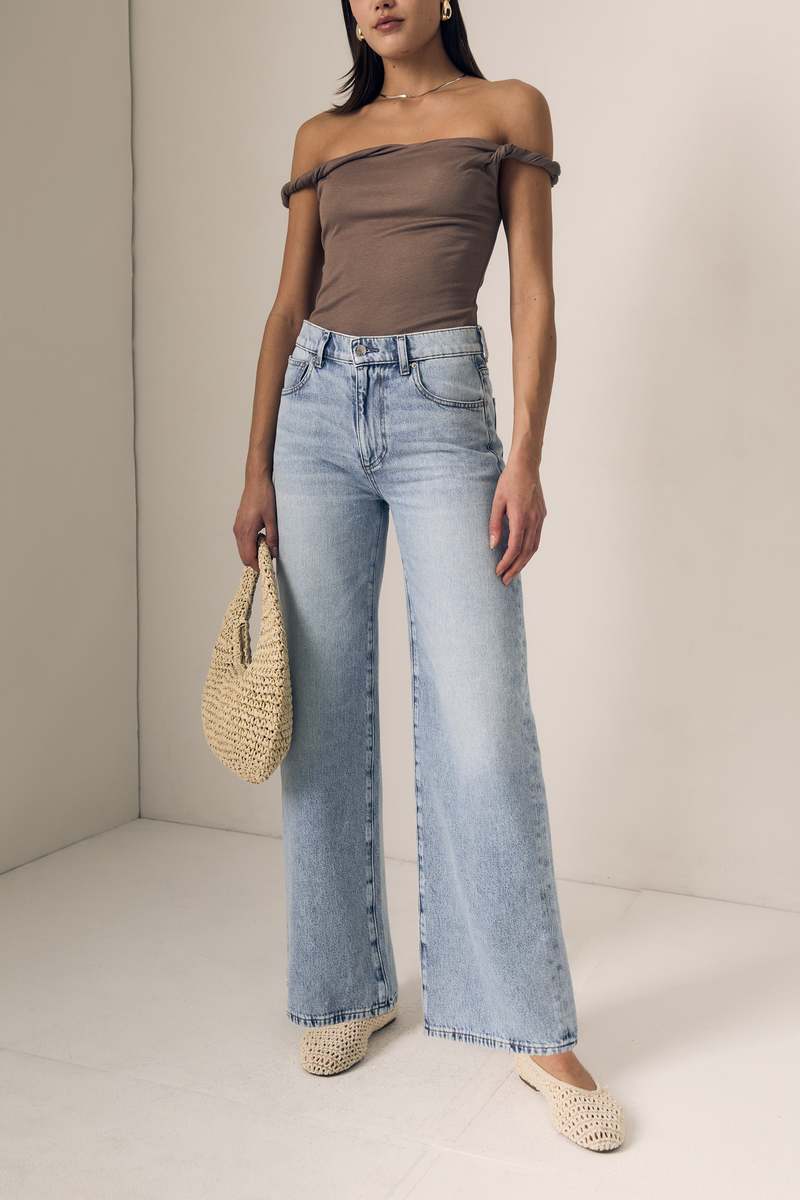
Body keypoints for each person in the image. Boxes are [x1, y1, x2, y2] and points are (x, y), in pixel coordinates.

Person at [233, 0, 625, 1153]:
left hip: (439, 407)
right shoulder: (321, 137)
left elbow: (531, 291)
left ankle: (534, 1030)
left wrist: (525, 456)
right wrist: (253, 466)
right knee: (322, 721)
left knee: (482, 724)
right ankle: (340, 988)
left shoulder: (508, 110)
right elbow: (286, 305)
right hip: (313, 416)